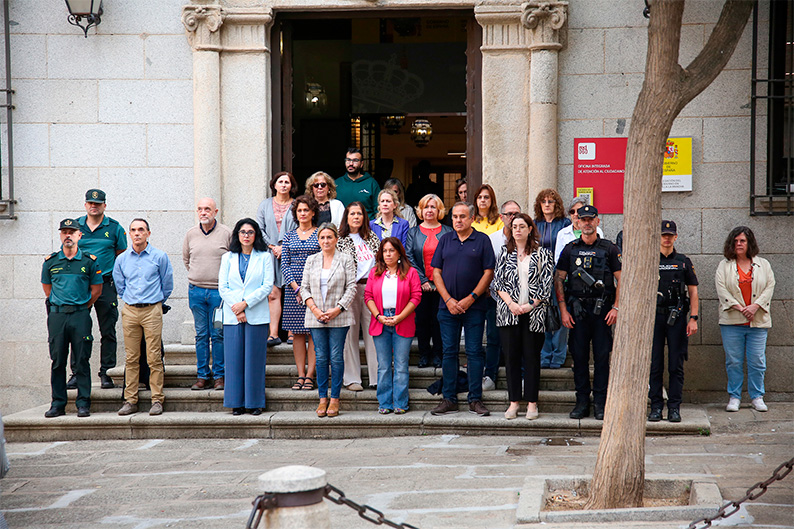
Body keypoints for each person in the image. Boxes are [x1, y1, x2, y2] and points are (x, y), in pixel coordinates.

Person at [555, 205, 621, 421]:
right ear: (577, 222)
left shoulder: (610, 248)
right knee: (580, 358)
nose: (586, 223)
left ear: (597, 222)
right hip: (577, 312)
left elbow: (622, 279)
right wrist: (563, 310)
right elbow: (559, 279)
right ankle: (582, 401)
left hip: (603, 312)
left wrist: (616, 307)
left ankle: (600, 403)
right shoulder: (569, 249)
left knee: (602, 358)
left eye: (590, 219)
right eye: (582, 219)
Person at [430, 202, 496, 417]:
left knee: (474, 352)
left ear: (471, 218)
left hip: (475, 307)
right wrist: (448, 299)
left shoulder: (482, 240)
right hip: (447, 307)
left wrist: (471, 298)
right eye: (455, 217)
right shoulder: (445, 240)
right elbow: (436, 272)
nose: (457, 220)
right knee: (449, 352)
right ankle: (448, 399)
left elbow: (488, 272)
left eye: (462, 216)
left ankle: (475, 399)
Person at [492, 213, 553, 420]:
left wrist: (529, 305)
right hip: (508, 314)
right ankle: (514, 402)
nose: (517, 229)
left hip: (534, 313)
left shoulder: (543, 253)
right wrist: (511, 304)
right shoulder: (503, 252)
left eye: (522, 226)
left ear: (529, 229)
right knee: (511, 358)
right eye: (514, 226)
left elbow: (547, 285)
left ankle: (532, 403)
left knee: (532, 358)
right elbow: (497, 283)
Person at [41, 219, 103, 418]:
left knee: (82, 360)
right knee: (58, 360)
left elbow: (96, 290)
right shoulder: (51, 262)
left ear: (79, 235)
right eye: (64, 232)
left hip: (80, 315)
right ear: (60, 235)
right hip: (58, 316)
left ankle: (83, 403)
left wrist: (81, 306)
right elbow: (48, 290)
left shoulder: (89, 261)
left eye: (72, 232)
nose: (68, 235)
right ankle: (58, 403)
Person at [113, 219, 174, 416]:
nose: (137, 233)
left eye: (141, 230)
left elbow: (167, 283)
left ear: (148, 233)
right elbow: (119, 285)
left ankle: (157, 399)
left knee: (154, 357)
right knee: (131, 358)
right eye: (133, 230)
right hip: (130, 310)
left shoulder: (159, 256)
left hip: (152, 310)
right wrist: (131, 299)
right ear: (129, 234)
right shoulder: (122, 259)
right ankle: (130, 400)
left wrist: (156, 302)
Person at [715, 226, 775, 413]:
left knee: (757, 360)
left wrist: (755, 306)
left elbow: (770, 286)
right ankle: (734, 396)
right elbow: (721, 289)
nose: (739, 244)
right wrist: (741, 308)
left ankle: (757, 396)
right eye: (736, 241)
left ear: (749, 243)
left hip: (757, 322)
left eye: (742, 241)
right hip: (732, 322)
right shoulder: (724, 265)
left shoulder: (763, 264)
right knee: (733, 360)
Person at [218, 218, 274, 415]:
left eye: (250, 232)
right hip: (233, 316)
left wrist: (246, 304)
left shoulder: (265, 257)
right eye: (243, 232)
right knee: (233, 360)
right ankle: (236, 402)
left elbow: (267, 285)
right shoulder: (228, 258)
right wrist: (238, 308)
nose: (246, 236)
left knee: (254, 360)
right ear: (237, 235)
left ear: (256, 235)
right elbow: (222, 287)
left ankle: (254, 402)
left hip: (256, 315)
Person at [301, 223, 358, 418]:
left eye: (329, 237)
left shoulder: (345, 259)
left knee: (336, 356)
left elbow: (351, 287)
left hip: (339, 315)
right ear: (318, 240)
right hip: (315, 315)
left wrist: (337, 309)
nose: (326, 241)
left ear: (336, 239)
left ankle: (335, 398)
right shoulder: (311, 260)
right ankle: (322, 398)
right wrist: (315, 309)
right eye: (322, 238)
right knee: (321, 357)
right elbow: (304, 288)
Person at [72, 189, 126, 390]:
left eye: (97, 203)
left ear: (104, 205)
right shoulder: (76, 226)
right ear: (85, 205)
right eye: (90, 203)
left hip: (105, 284)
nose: (93, 206)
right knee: (78, 330)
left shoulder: (114, 228)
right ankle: (77, 373)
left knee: (108, 331)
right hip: (80, 285)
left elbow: (121, 255)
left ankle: (107, 373)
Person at [648, 220, 699, 423]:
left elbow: (693, 291)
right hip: (655, 318)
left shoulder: (683, 261)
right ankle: (656, 407)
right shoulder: (650, 260)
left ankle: (674, 408)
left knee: (676, 365)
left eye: (670, 235)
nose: (666, 238)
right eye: (663, 234)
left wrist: (693, 318)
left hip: (677, 319)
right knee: (655, 365)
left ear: (675, 237)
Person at [365, 237, 422, 414]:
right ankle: (384, 403)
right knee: (382, 365)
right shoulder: (375, 272)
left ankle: (400, 403)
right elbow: (368, 296)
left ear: (399, 253)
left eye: (391, 250)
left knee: (400, 365)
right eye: (385, 251)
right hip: (380, 321)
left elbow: (416, 296)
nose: (388, 254)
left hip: (402, 321)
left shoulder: (410, 272)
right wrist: (378, 315)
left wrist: (400, 317)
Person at [182, 197, 232, 391]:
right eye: (200, 209)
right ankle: (202, 376)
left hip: (218, 296)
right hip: (196, 293)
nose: (203, 212)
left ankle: (220, 376)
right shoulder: (190, 234)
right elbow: (186, 260)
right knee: (201, 334)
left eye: (207, 209)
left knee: (218, 334)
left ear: (215, 212)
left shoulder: (227, 233)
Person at [337, 202, 381, 391]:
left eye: (359, 214)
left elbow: (380, 262)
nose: (356, 217)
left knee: (373, 333)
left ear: (364, 217)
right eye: (352, 213)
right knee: (350, 334)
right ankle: (352, 378)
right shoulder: (340, 240)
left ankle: (377, 377)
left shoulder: (372, 238)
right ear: (346, 217)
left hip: (371, 288)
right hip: (349, 289)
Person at [405, 194, 453, 368]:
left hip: (443, 286)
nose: (429, 210)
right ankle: (424, 355)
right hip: (420, 285)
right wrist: (423, 280)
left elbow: (451, 257)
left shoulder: (448, 231)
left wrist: (439, 282)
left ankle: (439, 354)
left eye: (433, 207)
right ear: (420, 210)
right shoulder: (413, 232)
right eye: (426, 207)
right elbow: (409, 256)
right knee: (422, 321)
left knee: (439, 320)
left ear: (439, 210)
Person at [281, 195, 321, 391]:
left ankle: (311, 375)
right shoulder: (289, 236)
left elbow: (324, 260)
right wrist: (296, 288)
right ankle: (300, 374)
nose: (303, 213)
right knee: (297, 333)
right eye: (299, 211)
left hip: (315, 290)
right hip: (293, 291)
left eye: (306, 210)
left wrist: (307, 291)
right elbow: (284, 265)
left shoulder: (320, 234)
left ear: (313, 212)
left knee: (313, 332)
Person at [482, 200, 522, 390]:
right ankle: (490, 375)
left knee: (519, 338)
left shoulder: (529, 240)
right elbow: (488, 268)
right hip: (495, 298)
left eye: (516, 214)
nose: (513, 217)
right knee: (493, 337)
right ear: (502, 217)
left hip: (521, 300)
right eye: (509, 214)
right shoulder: (492, 239)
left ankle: (520, 376)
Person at [255, 171, 297, 347]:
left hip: (292, 253)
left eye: (287, 182)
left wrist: (284, 247)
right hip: (269, 254)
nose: (284, 185)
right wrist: (272, 246)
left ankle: (292, 332)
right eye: (280, 181)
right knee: (273, 293)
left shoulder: (296, 205)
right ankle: (273, 333)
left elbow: (298, 226)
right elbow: (259, 228)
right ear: (274, 185)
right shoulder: (265, 205)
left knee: (292, 294)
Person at [533, 189, 572, 371]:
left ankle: (558, 355)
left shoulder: (564, 223)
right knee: (541, 315)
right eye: (544, 201)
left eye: (551, 201)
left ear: (557, 204)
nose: (547, 204)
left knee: (560, 312)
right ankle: (544, 354)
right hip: (539, 276)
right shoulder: (534, 224)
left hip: (559, 275)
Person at [553, 196, 604, 264]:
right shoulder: (562, 233)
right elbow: (558, 259)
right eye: (572, 211)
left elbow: (601, 253)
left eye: (579, 210)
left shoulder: (597, 231)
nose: (575, 214)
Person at [336, 148, 380, 219]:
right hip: (343, 228)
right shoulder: (337, 184)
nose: (351, 164)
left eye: (355, 160)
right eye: (348, 160)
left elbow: (378, 210)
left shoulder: (371, 183)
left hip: (367, 228)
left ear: (362, 164)